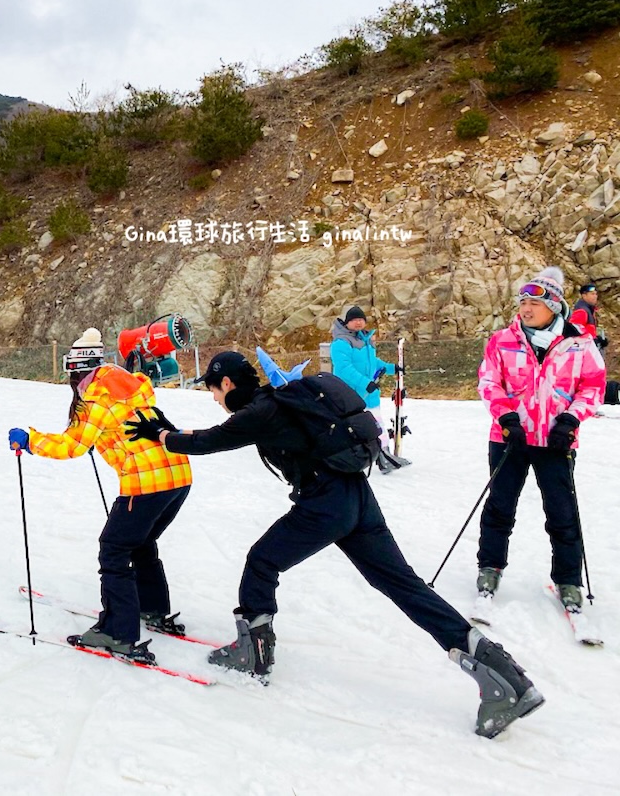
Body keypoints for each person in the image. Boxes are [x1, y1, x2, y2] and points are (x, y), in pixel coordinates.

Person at [125, 350, 544, 738]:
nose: (213, 397)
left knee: (261, 562)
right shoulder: (282, 401)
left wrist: (161, 435)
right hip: (357, 497)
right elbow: (223, 432)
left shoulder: (262, 411)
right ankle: (498, 670)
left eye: (212, 389)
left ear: (228, 384)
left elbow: (210, 441)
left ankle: (253, 652)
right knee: (405, 586)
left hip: (326, 502)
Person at [7, 328, 192, 664]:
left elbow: (72, 445)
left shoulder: (94, 396)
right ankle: (151, 608)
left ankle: (117, 631)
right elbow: (118, 426)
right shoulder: (125, 383)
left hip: (146, 483)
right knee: (140, 543)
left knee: (114, 549)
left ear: (78, 369)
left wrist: (30, 440)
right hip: (178, 476)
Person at [476, 267, 606, 609]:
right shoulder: (502, 341)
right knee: (500, 507)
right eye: (523, 302)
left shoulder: (580, 343)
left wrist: (570, 420)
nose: (526, 308)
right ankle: (489, 567)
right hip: (510, 438)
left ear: (555, 305)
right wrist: (506, 417)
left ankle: (568, 580)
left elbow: (593, 386)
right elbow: (489, 383)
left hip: (556, 441)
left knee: (562, 512)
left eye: (534, 302)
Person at [330, 305, 402, 473]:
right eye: (354, 320)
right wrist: (365, 383)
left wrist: (393, 368)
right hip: (350, 395)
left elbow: (374, 363)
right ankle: (347, 458)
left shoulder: (366, 340)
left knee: (377, 425)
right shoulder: (340, 343)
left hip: (369, 394)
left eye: (361, 319)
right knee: (353, 429)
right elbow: (344, 369)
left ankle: (385, 456)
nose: (358, 323)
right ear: (346, 323)